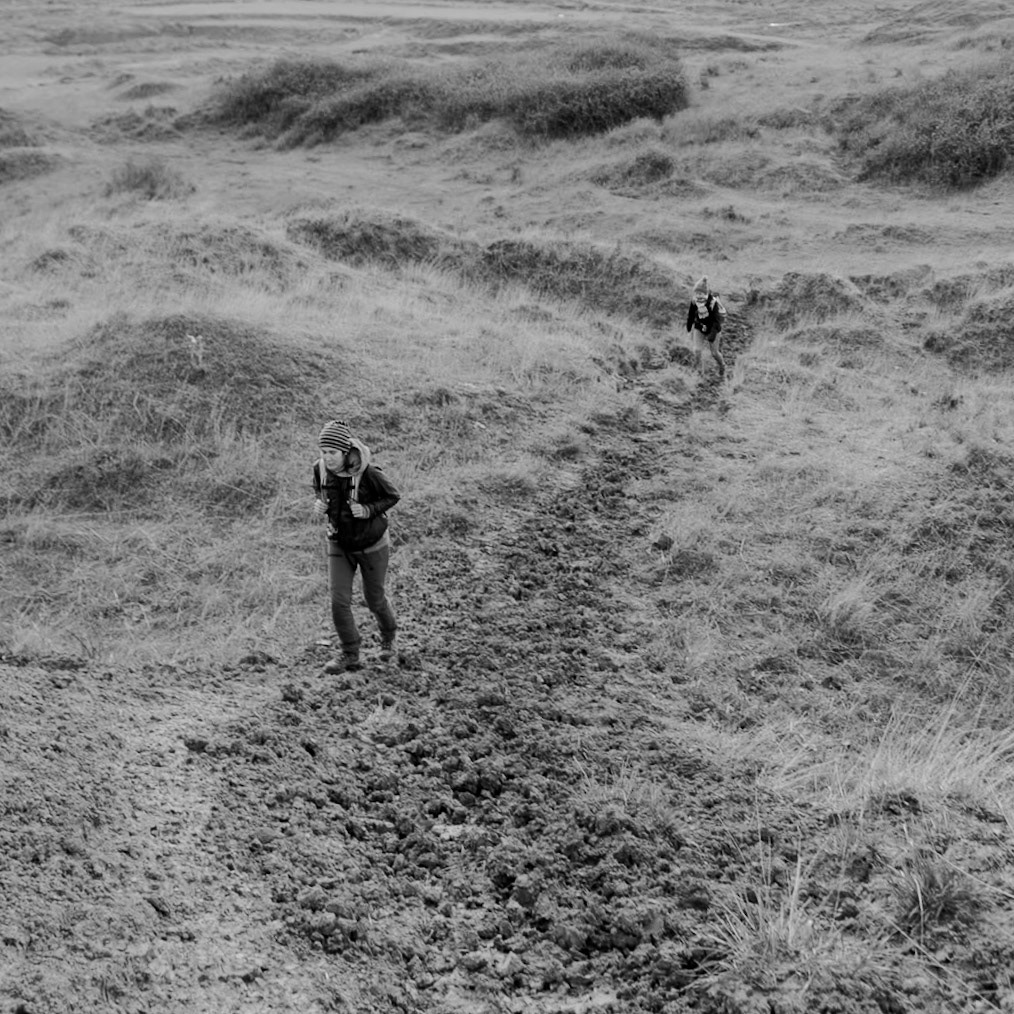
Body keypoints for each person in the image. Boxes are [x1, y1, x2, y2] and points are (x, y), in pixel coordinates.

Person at [311, 419, 400, 674]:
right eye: (323, 452)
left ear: (344, 450)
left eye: (332, 453)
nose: (327, 458)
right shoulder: (319, 469)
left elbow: (393, 496)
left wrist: (368, 509)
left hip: (372, 545)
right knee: (339, 600)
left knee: (374, 599)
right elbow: (320, 491)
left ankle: (389, 637)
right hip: (339, 543)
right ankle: (350, 653)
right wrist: (320, 504)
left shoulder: (368, 473)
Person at [685, 276, 727, 378]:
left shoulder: (713, 303)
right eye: (697, 293)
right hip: (699, 327)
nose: (698, 296)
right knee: (697, 350)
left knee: (714, 353)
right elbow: (691, 315)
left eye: (701, 293)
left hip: (714, 329)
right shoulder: (694, 301)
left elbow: (717, 322)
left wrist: (712, 335)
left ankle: (722, 366)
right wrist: (689, 327)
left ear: (706, 294)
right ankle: (697, 370)